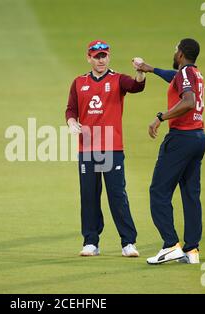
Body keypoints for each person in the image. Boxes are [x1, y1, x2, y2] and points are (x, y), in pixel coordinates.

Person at [65, 40, 146, 257]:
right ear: (88, 58)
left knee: (117, 194)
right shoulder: (79, 82)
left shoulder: (118, 79)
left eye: (104, 56)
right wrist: (72, 122)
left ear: (109, 57)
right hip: (87, 148)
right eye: (96, 56)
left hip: (111, 147)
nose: (100, 60)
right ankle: (91, 242)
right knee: (89, 195)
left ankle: (128, 242)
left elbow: (137, 86)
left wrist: (140, 72)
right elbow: (71, 109)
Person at [136, 38, 205, 264]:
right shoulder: (194, 73)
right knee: (190, 193)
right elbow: (174, 78)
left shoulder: (185, 74)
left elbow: (188, 101)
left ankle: (170, 245)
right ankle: (192, 251)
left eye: (176, 49)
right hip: (198, 137)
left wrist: (160, 117)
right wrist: (150, 69)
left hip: (181, 138)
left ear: (181, 54)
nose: (174, 53)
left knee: (158, 191)